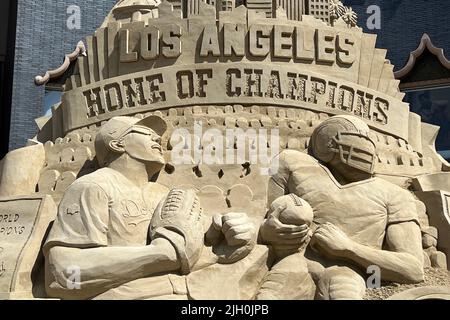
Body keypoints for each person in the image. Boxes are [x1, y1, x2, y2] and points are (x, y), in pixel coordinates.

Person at [44, 115, 256, 300]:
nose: (157, 139)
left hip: (182, 292)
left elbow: (184, 254)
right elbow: (62, 275)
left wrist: (221, 240)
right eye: (144, 133)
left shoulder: (162, 193)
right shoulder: (92, 187)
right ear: (117, 144)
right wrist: (160, 255)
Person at [259, 115, 424, 300]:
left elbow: (414, 269)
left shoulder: (396, 195)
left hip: (348, 272)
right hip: (296, 262)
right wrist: (267, 231)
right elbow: (261, 218)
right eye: (352, 138)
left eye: (365, 139)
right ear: (324, 145)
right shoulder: (292, 164)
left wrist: (348, 248)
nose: (363, 147)